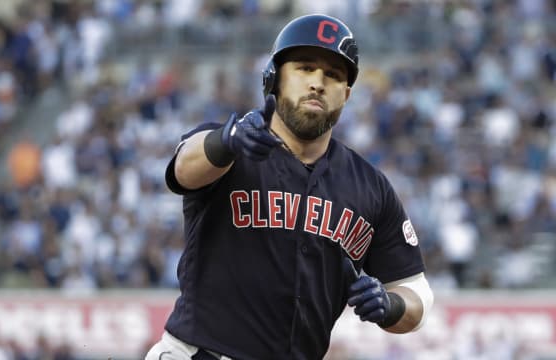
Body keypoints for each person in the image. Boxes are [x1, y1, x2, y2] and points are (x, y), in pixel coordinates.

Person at [146, 14, 434, 360]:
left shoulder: (371, 187)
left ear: (346, 93)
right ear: (275, 76)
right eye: (305, 68)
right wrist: (228, 141)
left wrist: (391, 305)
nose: (318, 82)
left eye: (333, 74)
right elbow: (183, 171)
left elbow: (417, 294)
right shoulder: (229, 146)